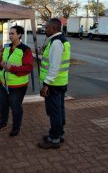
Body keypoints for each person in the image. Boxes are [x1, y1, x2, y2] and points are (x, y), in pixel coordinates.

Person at [0, 25, 34, 137]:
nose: (10, 35)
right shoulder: (6, 47)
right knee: (3, 105)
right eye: (9, 33)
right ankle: (3, 123)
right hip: (4, 83)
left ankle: (16, 127)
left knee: (15, 107)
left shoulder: (25, 50)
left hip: (18, 86)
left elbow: (28, 68)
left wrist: (12, 68)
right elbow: (0, 61)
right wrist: (0, 63)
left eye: (12, 33)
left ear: (19, 35)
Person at [38, 18, 71, 149]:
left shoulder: (57, 43)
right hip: (60, 82)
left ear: (54, 28)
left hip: (53, 84)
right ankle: (59, 134)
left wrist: (46, 84)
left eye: (47, 27)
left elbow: (54, 67)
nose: (45, 29)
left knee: (54, 112)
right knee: (59, 110)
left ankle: (54, 139)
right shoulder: (61, 40)